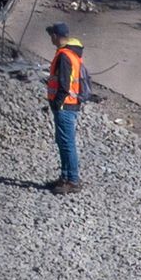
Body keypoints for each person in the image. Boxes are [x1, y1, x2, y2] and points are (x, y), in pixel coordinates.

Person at [45, 22, 88, 193]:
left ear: (56, 36)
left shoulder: (64, 56)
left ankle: (72, 180)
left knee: (67, 143)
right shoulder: (71, 53)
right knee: (64, 142)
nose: (50, 38)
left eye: (51, 35)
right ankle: (65, 177)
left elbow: (64, 83)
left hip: (65, 105)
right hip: (69, 104)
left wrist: (57, 103)